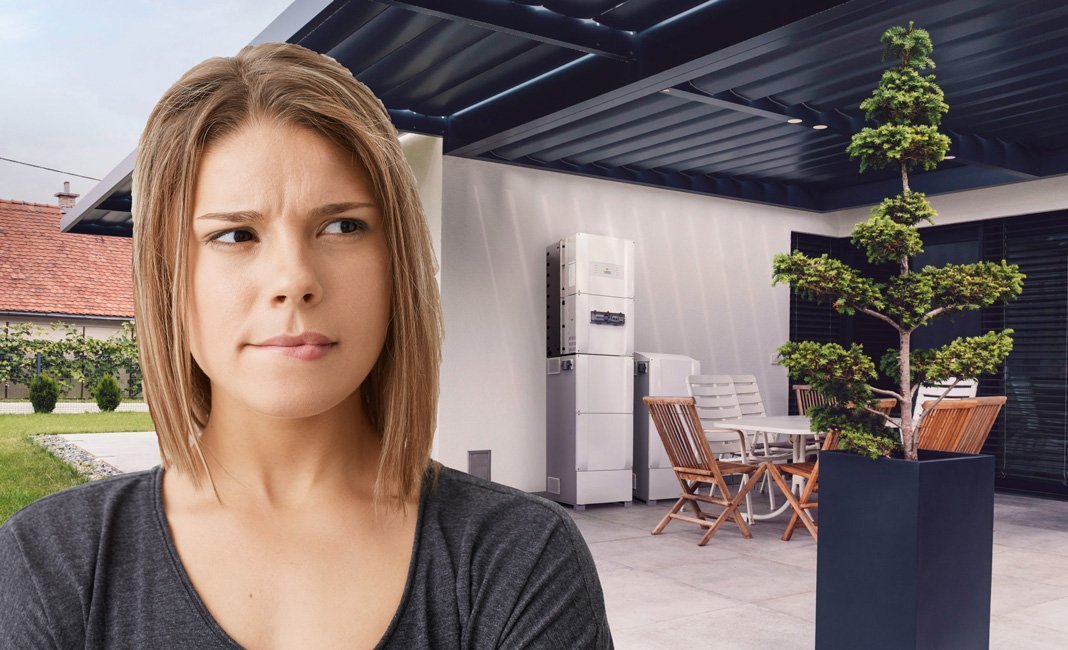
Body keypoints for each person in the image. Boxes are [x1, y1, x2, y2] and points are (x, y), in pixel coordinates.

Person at [0, 42, 613, 649]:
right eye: (236, 234)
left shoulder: (523, 558)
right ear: (168, 278)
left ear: (396, 261)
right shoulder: (50, 562)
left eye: (342, 226)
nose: (294, 278)